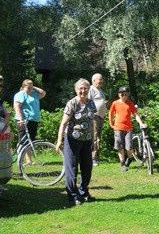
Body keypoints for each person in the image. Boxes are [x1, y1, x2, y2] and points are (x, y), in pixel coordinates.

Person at [55, 78, 96, 206]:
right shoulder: (72, 103)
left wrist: (94, 139)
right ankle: (72, 195)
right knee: (72, 167)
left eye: (85, 88)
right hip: (72, 140)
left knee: (87, 167)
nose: (83, 91)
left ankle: (83, 191)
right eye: (80, 88)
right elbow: (63, 123)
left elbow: (92, 122)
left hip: (87, 140)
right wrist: (59, 140)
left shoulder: (91, 103)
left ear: (89, 90)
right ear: (76, 89)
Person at [109, 86, 145, 171]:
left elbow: (135, 115)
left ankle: (129, 158)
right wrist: (111, 124)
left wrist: (141, 123)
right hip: (118, 127)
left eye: (126, 94)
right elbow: (111, 114)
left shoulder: (130, 103)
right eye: (122, 94)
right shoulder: (115, 103)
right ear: (119, 95)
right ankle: (122, 164)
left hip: (128, 128)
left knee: (129, 147)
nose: (124, 96)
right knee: (120, 146)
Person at [13, 79, 46, 165]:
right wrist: (20, 119)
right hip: (24, 121)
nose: (30, 89)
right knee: (23, 141)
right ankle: (19, 161)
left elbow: (43, 93)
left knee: (30, 140)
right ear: (23, 87)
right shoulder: (20, 94)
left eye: (32, 87)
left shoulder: (34, 94)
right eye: (28, 87)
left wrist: (32, 87)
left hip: (34, 120)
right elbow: (17, 107)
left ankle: (28, 161)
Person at [88, 73, 107, 166]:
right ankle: (92, 158)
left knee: (98, 137)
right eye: (99, 79)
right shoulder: (91, 89)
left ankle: (97, 156)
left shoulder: (100, 90)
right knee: (94, 137)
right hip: (94, 116)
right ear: (94, 80)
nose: (101, 81)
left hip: (101, 116)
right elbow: (88, 101)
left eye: (101, 79)